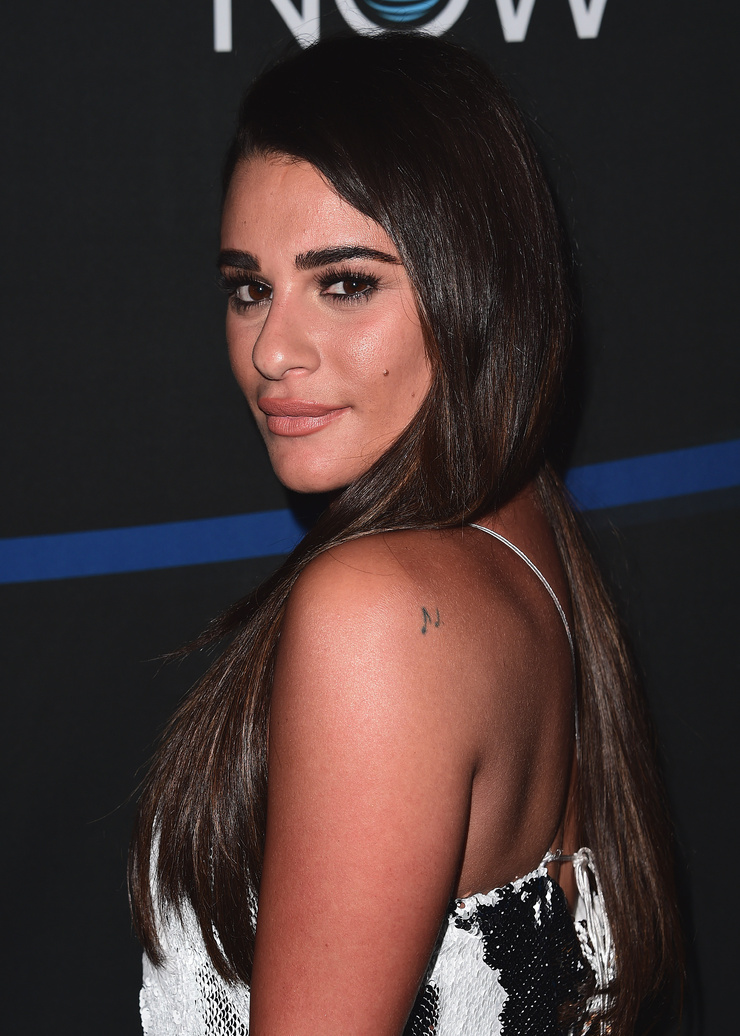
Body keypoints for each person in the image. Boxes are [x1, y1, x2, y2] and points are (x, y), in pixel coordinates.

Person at [129, 33, 681, 1035]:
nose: (272, 348)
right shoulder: (524, 544)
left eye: (344, 282)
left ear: (476, 285)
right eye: (249, 287)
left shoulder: (378, 610)